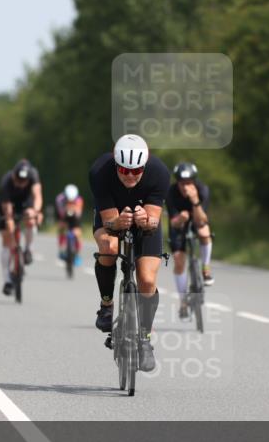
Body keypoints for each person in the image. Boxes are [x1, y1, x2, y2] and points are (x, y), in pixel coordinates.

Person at [89, 134, 170, 372]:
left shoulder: (160, 173)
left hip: (144, 221)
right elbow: (108, 221)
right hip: (112, 218)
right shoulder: (100, 171)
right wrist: (117, 222)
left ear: (145, 166)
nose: (130, 175)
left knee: (146, 279)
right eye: (124, 169)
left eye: (136, 170)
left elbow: (154, 218)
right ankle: (106, 305)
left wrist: (147, 220)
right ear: (116, 164)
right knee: (109, 248)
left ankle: (144, 339)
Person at [167, 162, 214, 317]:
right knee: (179, 260)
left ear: (194, 181)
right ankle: (183, 301)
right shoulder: (171, 192)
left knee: (204, 231)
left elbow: (201, 220)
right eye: (182, 183)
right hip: (178, 224)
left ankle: (206, 268)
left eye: (189, 183)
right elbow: (173, 222)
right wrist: (181, 218)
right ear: (177, 182)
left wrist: (195, 201)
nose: (185, 187)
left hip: (196, 219)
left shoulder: (202, 190)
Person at [0, 159, 43, 296]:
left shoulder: (33, 175)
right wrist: (9, 221)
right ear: (13, 176)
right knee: (7, 238)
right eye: (18, 180)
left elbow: (38, 196)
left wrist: (35, 211)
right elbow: (7, 208)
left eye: (24, 181)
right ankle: (7, 280)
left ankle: (28, 248)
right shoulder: (6, 181)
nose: (21, 184)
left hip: (25, 203)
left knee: (31, 218)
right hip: (9, 204)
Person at [55, 183, 84, 264]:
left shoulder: (79, 200)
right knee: (61, 228)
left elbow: (78, 214)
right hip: (63, 216)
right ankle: (61, 250)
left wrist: (73, 209)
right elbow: (60, 213)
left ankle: (78, 254)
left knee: (77, 233)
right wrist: (66, 209)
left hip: (74, 218)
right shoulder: (60, 199)